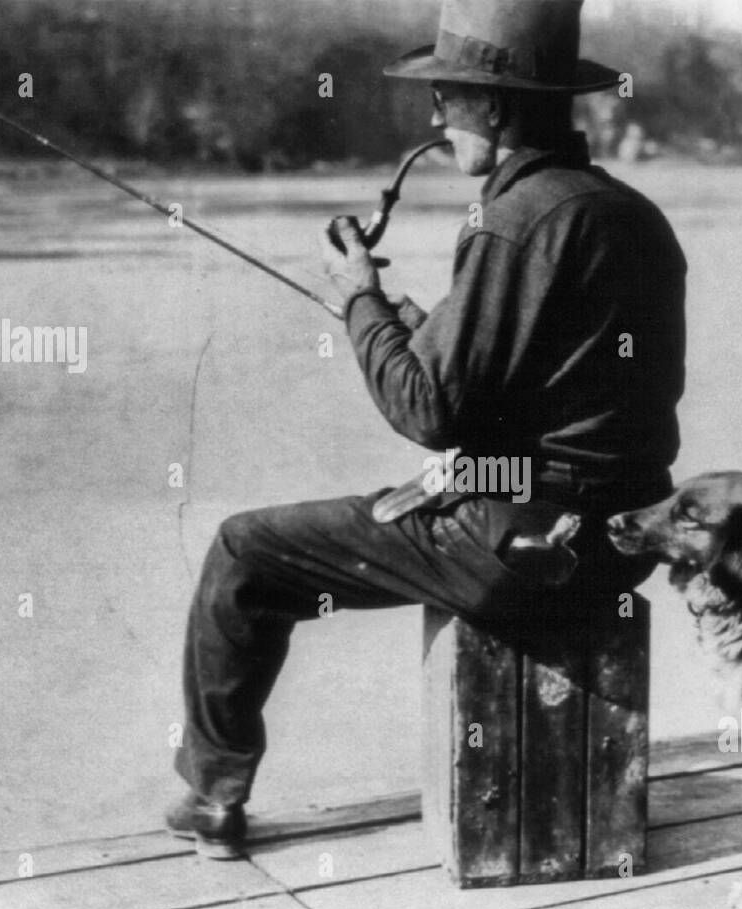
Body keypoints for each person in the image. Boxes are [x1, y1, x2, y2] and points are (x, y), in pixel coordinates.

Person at [167, 0, 687, 859]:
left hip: (519, 543)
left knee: (244, 553)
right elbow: (530, 374)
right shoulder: (629, 214)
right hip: (623, 539)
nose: (437, 118)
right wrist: (402, 314)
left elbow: (430, 411)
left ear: (500, 105)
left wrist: (360, 301)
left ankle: (212, 797)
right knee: (397, 502)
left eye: (449, 95)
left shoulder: (511, 221)